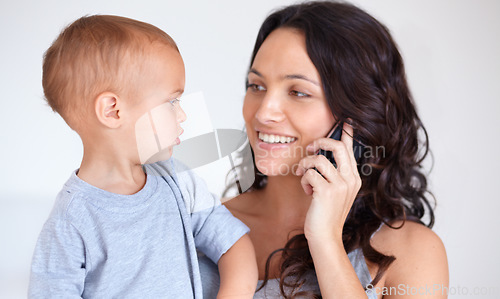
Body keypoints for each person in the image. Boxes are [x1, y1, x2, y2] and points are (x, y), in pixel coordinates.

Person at [200, 1, 448, 298]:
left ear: (358, 113)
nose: (264, 112)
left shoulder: (411, 250)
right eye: (256, 86)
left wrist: (326, 242)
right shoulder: (202, 226)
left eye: (298, 92)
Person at [28, 15, 257, 298]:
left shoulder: (177, 180)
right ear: (113, 111)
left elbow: (233, 243)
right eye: (172, 102)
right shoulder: (71, 223)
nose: (182, 114)